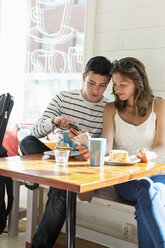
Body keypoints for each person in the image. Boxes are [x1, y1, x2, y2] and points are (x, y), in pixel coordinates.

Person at [20, 56, 112, 248]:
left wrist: (88, 142)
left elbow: (106, 148)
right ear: (84, 76)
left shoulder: (108, 109)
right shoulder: (63, 97)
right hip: (57, 159)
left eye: (102, 85)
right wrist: (55, 121)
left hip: (80, 163)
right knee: (27, 141)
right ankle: (42, 177)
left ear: (108, 84)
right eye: (91, 83)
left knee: (60, 190)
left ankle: (37, 177)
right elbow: (36, 131)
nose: (96, 90)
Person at [102, 57, 165, 248]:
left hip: (159, 174)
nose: (116, 89)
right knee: (145, 189)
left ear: (138, 83)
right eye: (114, 84)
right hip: (126, 178)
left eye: (123, 84)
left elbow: (162, 145)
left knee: (148, 194)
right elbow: (106, 146)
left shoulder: (159, 106)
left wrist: (149, 156)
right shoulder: (111, 109)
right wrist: (88, 145)